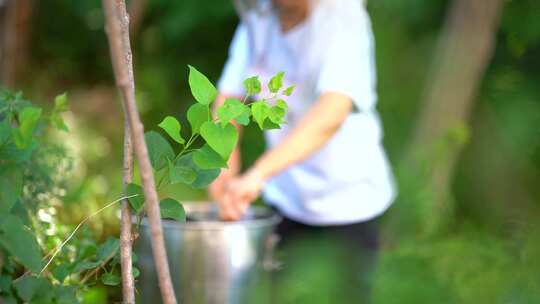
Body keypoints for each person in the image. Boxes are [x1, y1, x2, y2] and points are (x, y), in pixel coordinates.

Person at [211, 0, 395, 301]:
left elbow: (331, 113)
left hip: (348, 201)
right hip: (285, 196)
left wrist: (257, 174)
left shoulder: (343, 15)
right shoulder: (258, 16)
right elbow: (228, 101)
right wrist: (220, 167)